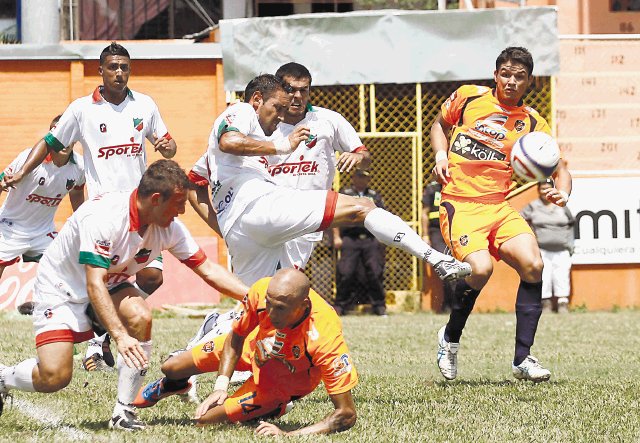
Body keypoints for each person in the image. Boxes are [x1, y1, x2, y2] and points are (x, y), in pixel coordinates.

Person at [0, 160, 249, 431]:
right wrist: (118, 336)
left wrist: (253, 296)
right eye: (178, 203)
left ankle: (123, 411)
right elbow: (93, 283)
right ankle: (3, 377)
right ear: (156, 199)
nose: (182, 211)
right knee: (54, 377)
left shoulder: (168, 228)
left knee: (140, 315)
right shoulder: (104, 216)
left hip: (108, 282)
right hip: (62, 288)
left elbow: (208, 269)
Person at [192, 73, 470, 290]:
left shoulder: (241, 143)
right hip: (264, 209)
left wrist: (223, 229)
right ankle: (436, 258)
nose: (279, 116)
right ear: (256, 99)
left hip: (244, 232)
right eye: (277, 107)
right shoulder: (241, 112)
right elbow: (230, 140)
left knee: (259, 306)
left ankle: (194, 352)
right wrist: (283, 147)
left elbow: (192, 184)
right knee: (363, 206)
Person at [2, 42, 178, 370]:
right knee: (100, 280)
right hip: (104, 213)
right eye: (113, 67)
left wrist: (168, 147)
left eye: (125, 67)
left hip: (142, 210)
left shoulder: (145, 105)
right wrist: (22, 171)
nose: (120, 73)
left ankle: (99, 325)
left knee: (153, 278)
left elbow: (167, 146)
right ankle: (96, 338)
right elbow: (50, 141)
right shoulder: (82, 109)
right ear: (100, 70)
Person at [430, 47, 573, 382]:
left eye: (519, 76)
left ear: (529, 81)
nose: (511, 81)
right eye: (505, 74)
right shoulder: (468, 98)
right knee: (481, 269)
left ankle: (522, 359)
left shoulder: (533, 122)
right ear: (495, 75)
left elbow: (561, 169)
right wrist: (440, 153)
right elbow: (439, 125)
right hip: (460, 203)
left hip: (499, 205)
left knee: (534, 265)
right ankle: (449, 338)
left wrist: (562, 193)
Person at [135, 268, 358, 436]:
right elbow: (238, 335)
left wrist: (289, 434)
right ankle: (175, 384)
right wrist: (220, 387)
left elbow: (346, 415)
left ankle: (274, 406)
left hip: (284, 379)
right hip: (253, 346)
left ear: (304, 306)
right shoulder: (262, 291)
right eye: (268, 304)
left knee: (205, 419)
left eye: (280, 308)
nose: (270, 314)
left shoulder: (325, 336)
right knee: (171, 367)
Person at [0, 115, 85, 281]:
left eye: (69, 135)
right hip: (10, 227)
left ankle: (43, 307)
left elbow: (77, 197)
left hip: (43, 232)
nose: (64, 141)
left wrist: (83, 226)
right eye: (59, 136)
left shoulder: (80, 167)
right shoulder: (28, 158)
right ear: (51, 138)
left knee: (68, 270)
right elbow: (1, 182)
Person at [333, 170, 387, 316]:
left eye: (365, 177)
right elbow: (335, 215)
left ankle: (379, 306)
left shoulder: (374, 195)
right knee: (345, 272)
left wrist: (382, 237)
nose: (362, 179)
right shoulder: (345, 193)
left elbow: (382, 216)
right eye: (359, 176)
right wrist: (337, 237)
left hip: (370, 238)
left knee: (375, 271)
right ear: (353, 177)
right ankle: (340, 305)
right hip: (350, 238)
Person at [521, 178, 575, 314]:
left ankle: (563, 303)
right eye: (542, 188)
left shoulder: (562, 205)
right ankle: (546, 304)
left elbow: (571, 223)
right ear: (538, 190)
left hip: (562, 249)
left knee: (562, 276)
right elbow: (519, 219)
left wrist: (570, 245)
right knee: (544, 276)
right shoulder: (533, 206)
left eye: (548, 188)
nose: (545, 191)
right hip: (542, 249)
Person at [421, 179, 453, 313]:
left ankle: (453, 305)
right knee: (446, 265)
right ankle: (448, 305)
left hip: (454, 231)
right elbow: (424, 213)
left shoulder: (456, 185)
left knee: (457, 267)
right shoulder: (432, 188)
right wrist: (425, 234)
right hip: (437, 231)